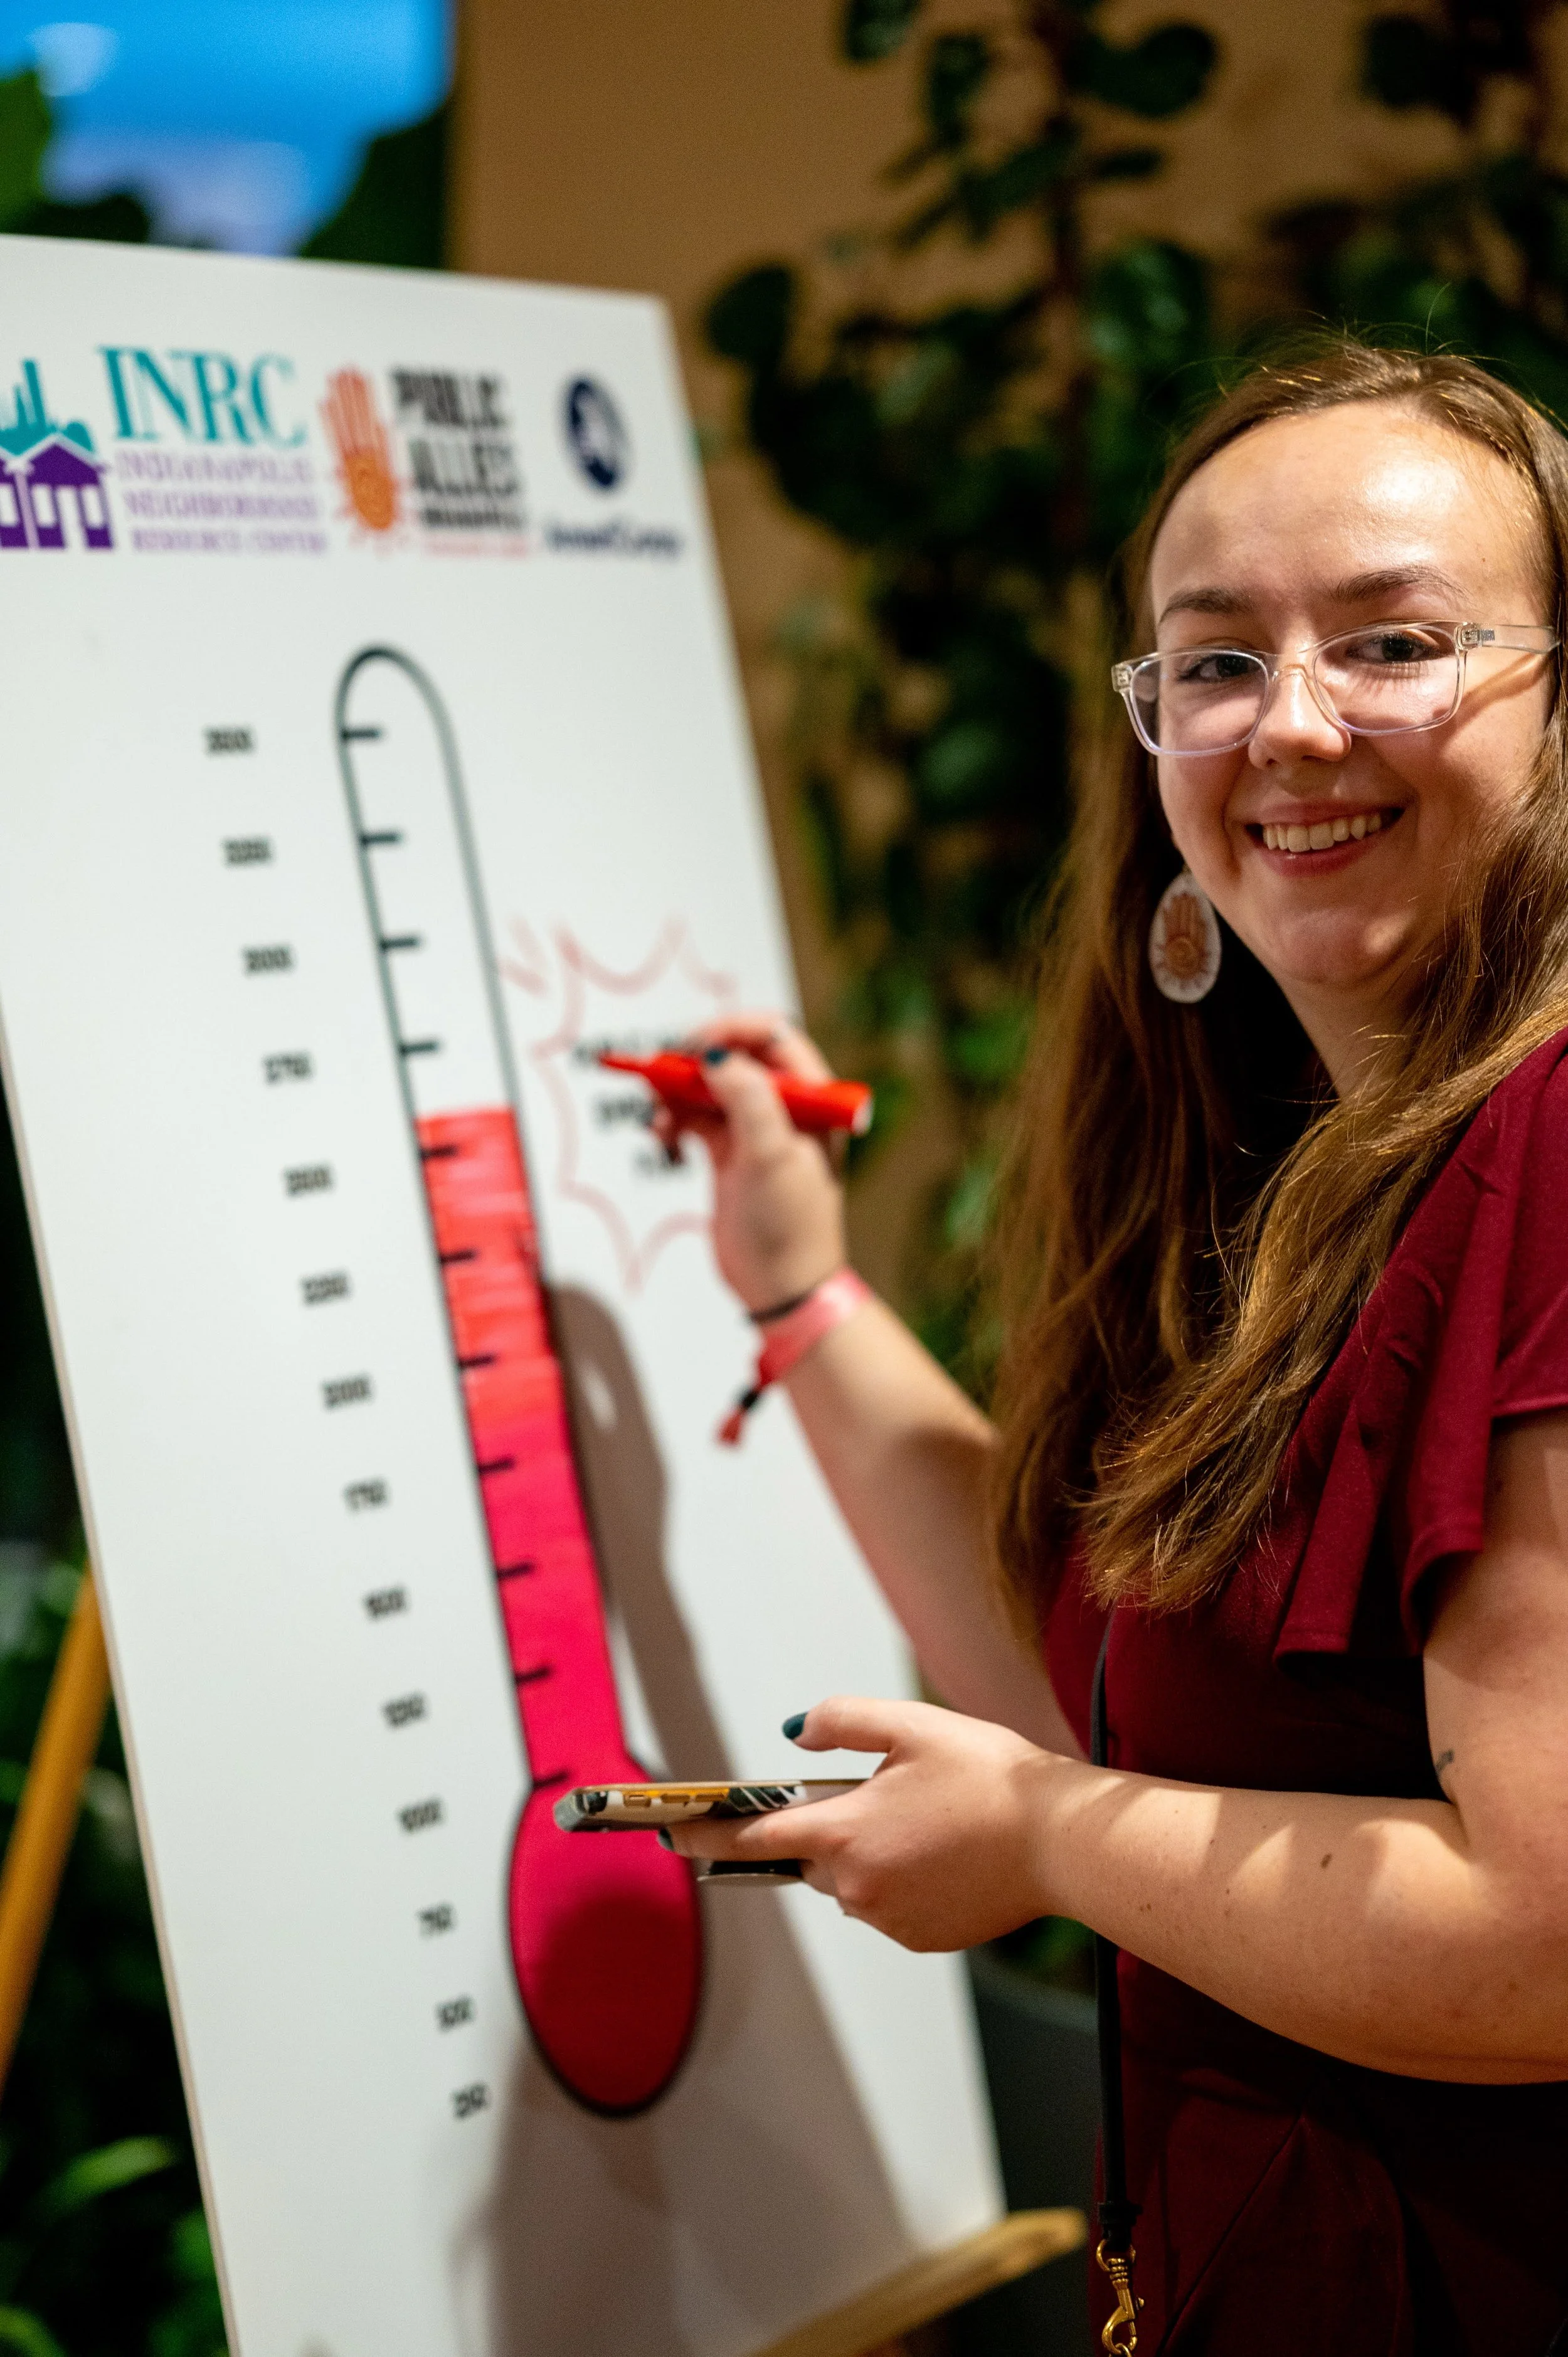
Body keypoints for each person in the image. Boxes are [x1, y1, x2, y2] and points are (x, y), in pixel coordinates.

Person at [661, 340, 1568, 2353]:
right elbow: (1113, 1688)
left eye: (1397, 640)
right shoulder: (1310, 1165)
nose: (1291, 726)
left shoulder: (1555, 1135)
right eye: (1214, 659)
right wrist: (797, 1292)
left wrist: (1046, 1841)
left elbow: (1545, 1938)